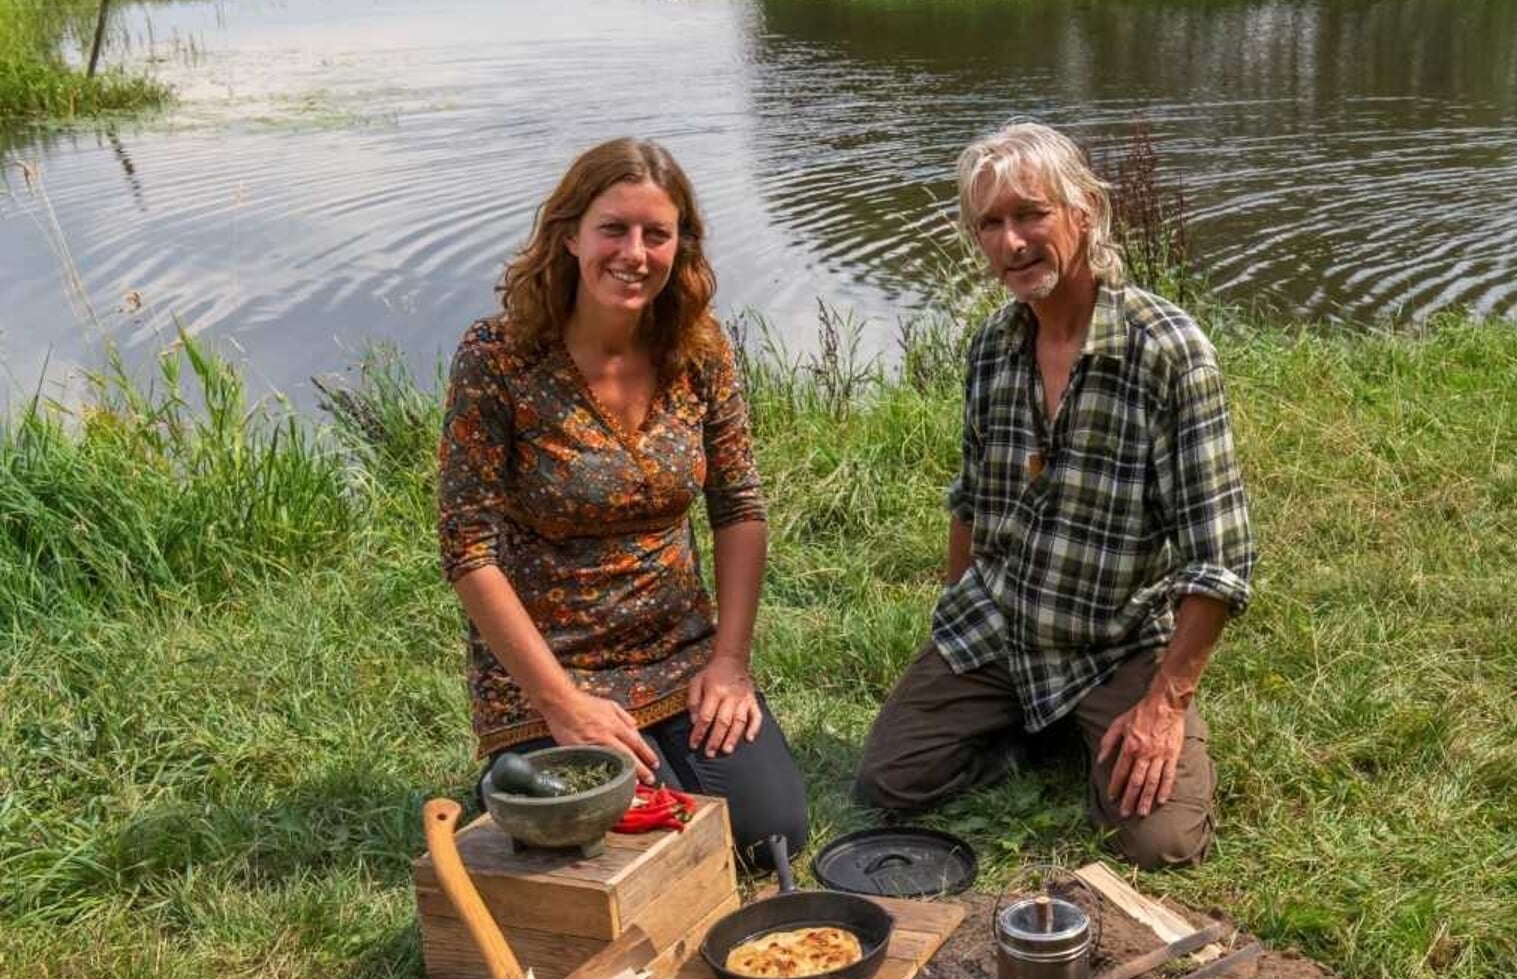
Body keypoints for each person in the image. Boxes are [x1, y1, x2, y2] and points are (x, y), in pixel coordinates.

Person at [857, 122, 1255, 869]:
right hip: (1002, 624)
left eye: (1030, 214)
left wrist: (1163, 706)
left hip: (1118, 642)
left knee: (1161, 843)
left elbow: (1219, 560)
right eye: (991, 223)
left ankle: (1090, 723)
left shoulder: (1166, 349)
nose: (1012, 242)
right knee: (888, 781)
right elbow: (971, 500)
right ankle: (1032, 729)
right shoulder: (990, 348)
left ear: (1084, 211)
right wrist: (951, 629)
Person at [438, 137, 806, 867]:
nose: (634, 252)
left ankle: (631, 754)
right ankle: (526, 759)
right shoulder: (497, 358)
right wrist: (558, 701)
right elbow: (466, 548)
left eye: (656, 234)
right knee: (651, 851)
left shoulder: (699, 349)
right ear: (569, 235)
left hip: (680, 652)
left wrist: (729, 661)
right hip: (551, 668)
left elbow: (738, 506)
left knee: (773, 836)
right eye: (613, 228)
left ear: (681, 245)